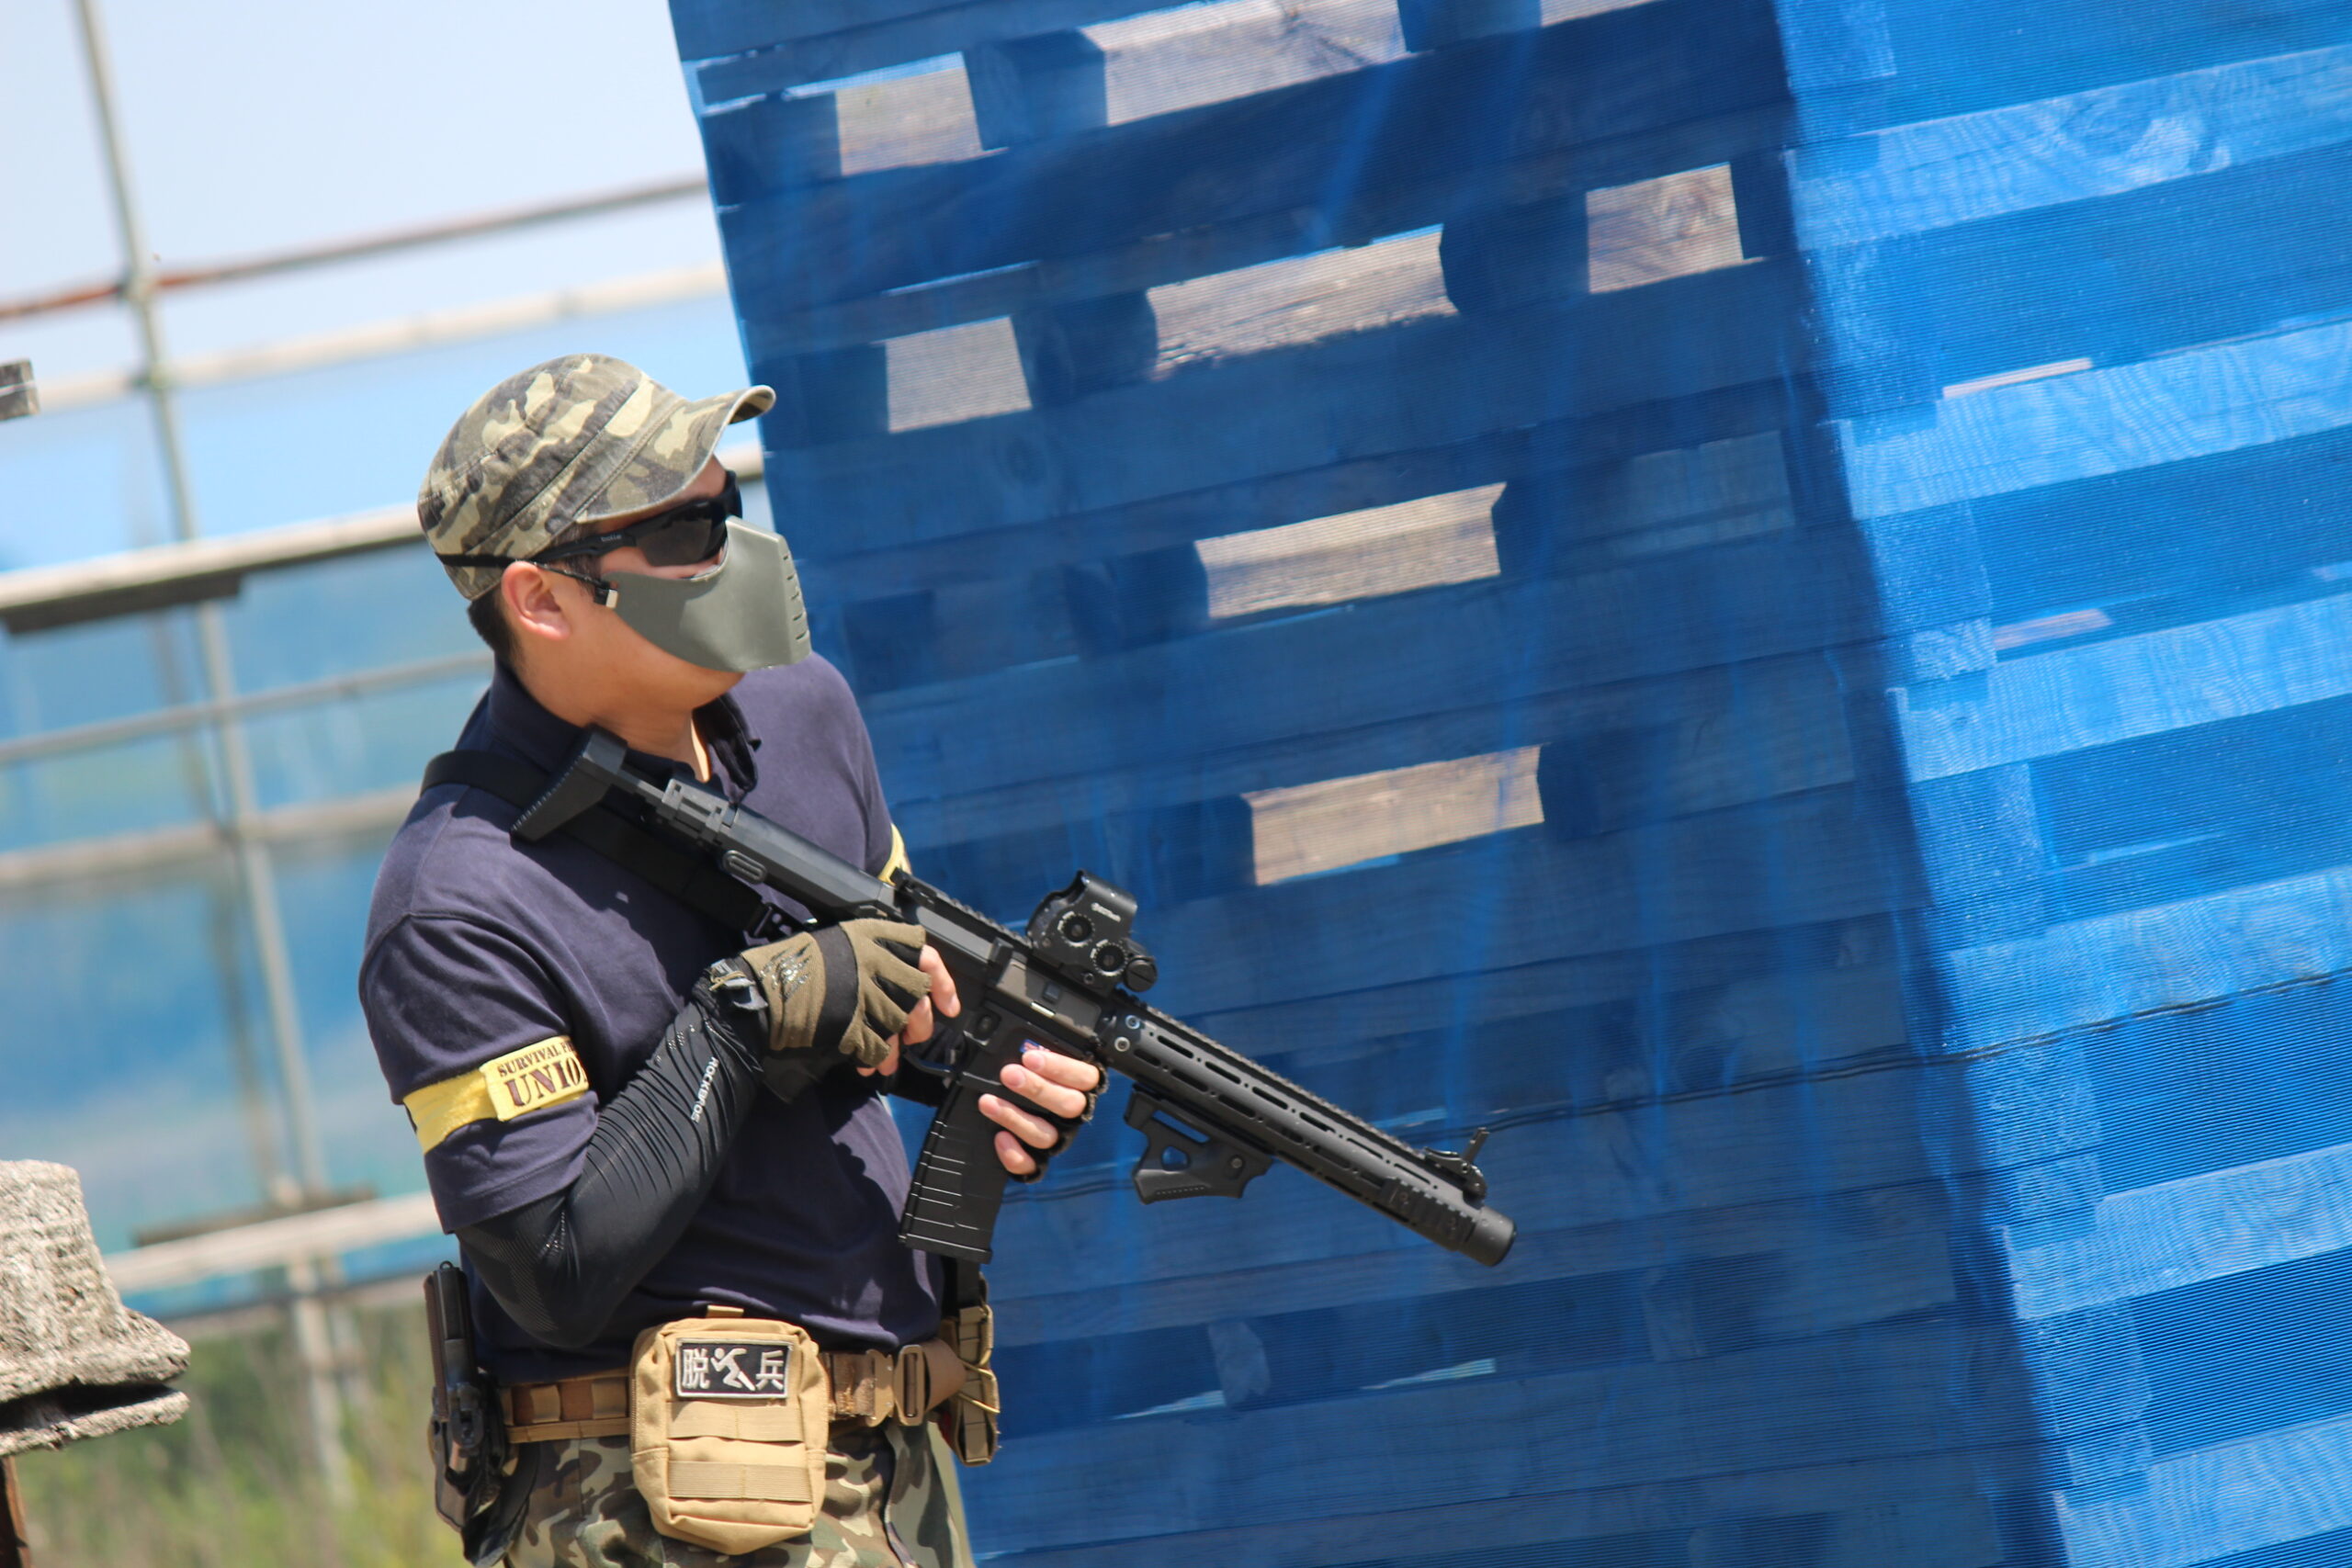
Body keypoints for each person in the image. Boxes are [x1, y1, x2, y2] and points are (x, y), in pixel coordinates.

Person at [359, 354, 1102, 1568]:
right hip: (651, 1504)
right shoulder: (454, 905)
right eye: (685, 531)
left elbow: (895, 1003)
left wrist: (992, 1074)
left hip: (892, 1464)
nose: (735, 554)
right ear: (543, 601)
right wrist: (749, 1016)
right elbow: (555, 1269)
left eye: (730, 506)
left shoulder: (805, 713)